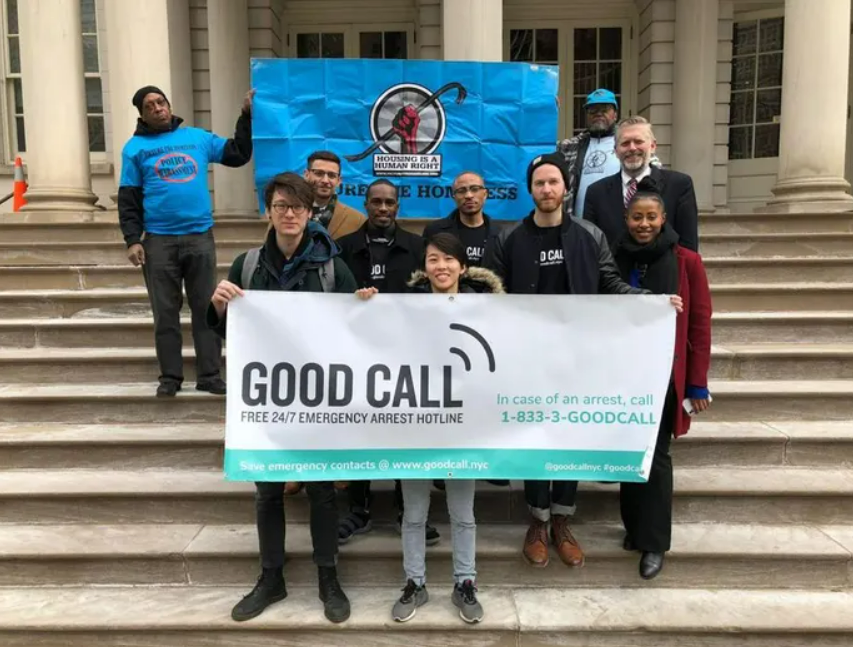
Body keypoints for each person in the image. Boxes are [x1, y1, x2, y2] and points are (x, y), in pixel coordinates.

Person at [486, 152, 682, 570]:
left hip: (579, 358)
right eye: (539, 183)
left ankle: (562, 521)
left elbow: (610, 282)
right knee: (534, 437)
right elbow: (492, 293)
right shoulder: (509, 239)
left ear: (564, 188)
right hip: (528, 360)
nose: (546, 190)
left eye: (553, 182)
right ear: (530, 189)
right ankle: (537, 522)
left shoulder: (589, 235)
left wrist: (651, 302)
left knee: (569, 435)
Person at [206, 172, 357, 624]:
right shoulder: (247, 265)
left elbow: (358, 331)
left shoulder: (332, 267)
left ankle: (328, 576)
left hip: (318, 399)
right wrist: (218, 305)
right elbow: (223, 328)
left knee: (322, 492)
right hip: (266, 401)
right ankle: (272, 576)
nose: (289, 214)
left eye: (297, 207)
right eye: (280, 206)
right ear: (267, 211)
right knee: (267, 492)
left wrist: (365, 304)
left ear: (311, 213)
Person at [356, 232, 503, 624]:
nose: (442, 267)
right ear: (425, 266)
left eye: (449, 259)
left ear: (463, 266)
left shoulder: (486, 309)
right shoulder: (403, 307)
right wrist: (366, 308)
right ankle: (415, 582)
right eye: (434, 259)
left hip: (464, 425)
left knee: (462, 513)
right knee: (415, 513)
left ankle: (465, 582)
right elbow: (376, 343)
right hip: (415, 423)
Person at [118, 85, 254, 398]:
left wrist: (246, 116)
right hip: (158, 241)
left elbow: (237, 154)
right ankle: (170, 377)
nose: (156, 107)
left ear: (169, 104)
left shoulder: (198, 138)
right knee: (165, 312)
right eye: (149, 105)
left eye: (160, 101)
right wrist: (132, 240)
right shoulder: (134, 149)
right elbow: (129, 199)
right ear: (142, 114)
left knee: (206, 308)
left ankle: (209, 375)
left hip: (199, 237)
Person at [610, 177, 712, 580]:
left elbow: (700, 324)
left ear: (664, 218)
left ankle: (654, 543)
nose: (644, 224)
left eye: (651, 217)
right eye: (637, 217)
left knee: (657, 456)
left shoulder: (687, 261)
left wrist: (697, 383)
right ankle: (634, 529)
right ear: (626, 218)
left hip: (666, 376)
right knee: (628, 453)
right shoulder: (616, 257)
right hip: (623, 372)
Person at [336, 179, 440, 546]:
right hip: (356, 355)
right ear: (365, 204)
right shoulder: (344, 247)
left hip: (406, 356)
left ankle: (405, 508)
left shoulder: (416, 247)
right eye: (376, 202)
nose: (382, 208)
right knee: (356, 427)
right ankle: (358, 508)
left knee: (403, 430)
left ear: (398, 206)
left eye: (389, 203)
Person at [583, 116, 699, 252]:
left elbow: (688, 246)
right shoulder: (596, 192)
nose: (632, 148)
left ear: (653, 146)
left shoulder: (679, 185)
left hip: (665, 271)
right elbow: (591, 247)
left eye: (638, 141)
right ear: (615, 151)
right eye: (625, 143)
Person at [557, 88, 621, 217]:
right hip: (580, 226)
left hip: (618, 225)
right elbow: (542, 147)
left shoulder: (628, 144)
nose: (598, 114)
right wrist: (547, 111)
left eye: (605, 109)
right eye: (593, 110)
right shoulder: (572, 146)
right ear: (587, 115)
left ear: (615, 115)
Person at [422, 171, 500, 266]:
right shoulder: (434, 231)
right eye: (461, 191)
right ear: (454, 197)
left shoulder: (501, 234)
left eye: (475, 189)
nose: (468, 196)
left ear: (485, 194)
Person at [303, 150, 366, 239]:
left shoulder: (358, 220)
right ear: (306, 175)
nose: (325, 180)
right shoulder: (285, 214)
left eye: (331, 175)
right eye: (319, 173)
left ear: (339, 180)